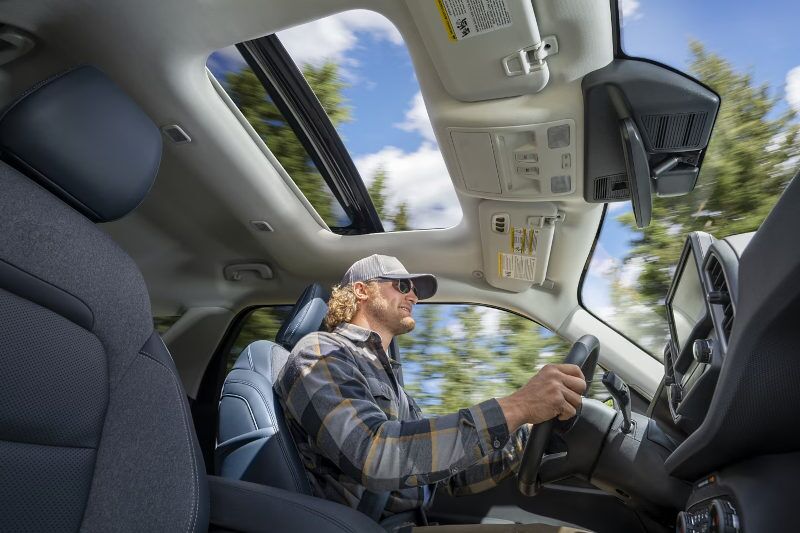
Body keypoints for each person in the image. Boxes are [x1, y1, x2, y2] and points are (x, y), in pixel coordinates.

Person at [276, 254, 588, 532]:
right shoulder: (320, 352)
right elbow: (372, 454)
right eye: (402, 285)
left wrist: (530, 435)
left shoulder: (394, 387)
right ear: (361, 290)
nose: (414, 295)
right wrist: (517, 406)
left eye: (417, 290)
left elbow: (451, 476)